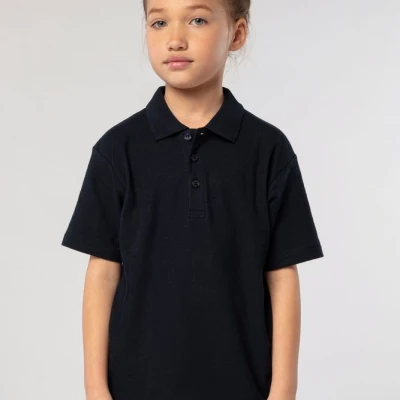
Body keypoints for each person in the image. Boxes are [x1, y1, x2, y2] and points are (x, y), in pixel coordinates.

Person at [61, 0, 324, 399]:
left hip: (243, 385)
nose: (175, 39)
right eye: (159, 22)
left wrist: (283, 389)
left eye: (197, 20)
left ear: (237, 34)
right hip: (137, 386)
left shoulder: (269, 150)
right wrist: (95, 388)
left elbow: (282, 275)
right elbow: (103, 274)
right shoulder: (117, 150)